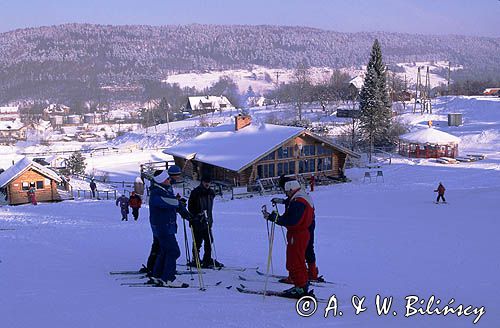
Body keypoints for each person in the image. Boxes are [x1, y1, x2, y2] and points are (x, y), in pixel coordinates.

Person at [263, 180, 315, 298]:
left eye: (287, 192)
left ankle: (300, 287)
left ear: (292, 190)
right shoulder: (302, 196)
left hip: (297, 234)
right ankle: (301, 284)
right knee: (298, 260)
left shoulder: (298, 201)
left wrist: (273, 217)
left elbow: (292, 220)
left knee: (294, 261)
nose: (286, 194)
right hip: (300, 233)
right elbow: (291, 208)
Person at [148, 165, 191, 287]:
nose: (170, 180)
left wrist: (184, 212)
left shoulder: (164, 189)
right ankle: (169, 278)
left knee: (165, 251)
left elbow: (173, 202)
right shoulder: (157, 192)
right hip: (163, 227)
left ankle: (158, 275)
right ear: (162, 180)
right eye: (168, 179)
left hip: (166, 226)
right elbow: (170, 202)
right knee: (173, 251)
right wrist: (179, 204)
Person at [187, 175, 223, 268]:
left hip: (207, 220)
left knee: (209, 240)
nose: (207, 184)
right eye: (205, 182)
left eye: (209, 182)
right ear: (202, 182)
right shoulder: (196, 192)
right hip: (197, 220)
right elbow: (190, 207)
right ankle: (196, 259)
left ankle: (207, 259)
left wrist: (209, 218)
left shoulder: (211, 193)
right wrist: (197, 214)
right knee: (198, 241)